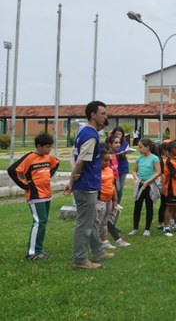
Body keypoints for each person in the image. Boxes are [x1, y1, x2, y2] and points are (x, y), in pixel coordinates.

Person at [63, 100, 112, 270]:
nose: (105, 116)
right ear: (93, 114)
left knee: (91, 222)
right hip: (86, 185)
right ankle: (80, 260)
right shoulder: (91, 135)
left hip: (85, 183)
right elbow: (81, 160)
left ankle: (98, 251)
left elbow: (73, 156)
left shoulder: (82, 130)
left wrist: (73, 178)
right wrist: (72, 181)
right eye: (103, 113)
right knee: (84, 224)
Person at [8, 132, 60, 260]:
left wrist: (48, 175)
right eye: (47, 146)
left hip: (46, 194)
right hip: (35, 195)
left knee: (43, 222)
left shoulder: (48, 158)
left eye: (50, 146)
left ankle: (39, 249)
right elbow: (12, 170)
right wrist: (25, 185)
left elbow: (56, 163)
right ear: (39, 146)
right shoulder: (29, 158)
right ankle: (32, 253)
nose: (49, 149)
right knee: (38, 222)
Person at [129, 138, 161, 236]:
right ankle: (135, 228)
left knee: (149, 206)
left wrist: (148, 181)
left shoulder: (154, 158)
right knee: (137, 206)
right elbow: (134, 171)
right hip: (140, 184)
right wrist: (136, 178)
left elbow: (158, 172)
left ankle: (147, 229)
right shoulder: (139, 158)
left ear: (147, 147)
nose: (139, 149)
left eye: (140, 147)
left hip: (149, 185)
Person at [110, 127, 131, 205]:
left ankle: (118, 204)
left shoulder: (125, 143)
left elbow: (126, 155)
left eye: (120, 134)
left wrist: (123, 154)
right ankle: (113, 202)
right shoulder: (111, 143)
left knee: (121, 188)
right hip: (114, 166)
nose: (118, 135)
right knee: (117, 187)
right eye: (117, 134)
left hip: (123, 166)